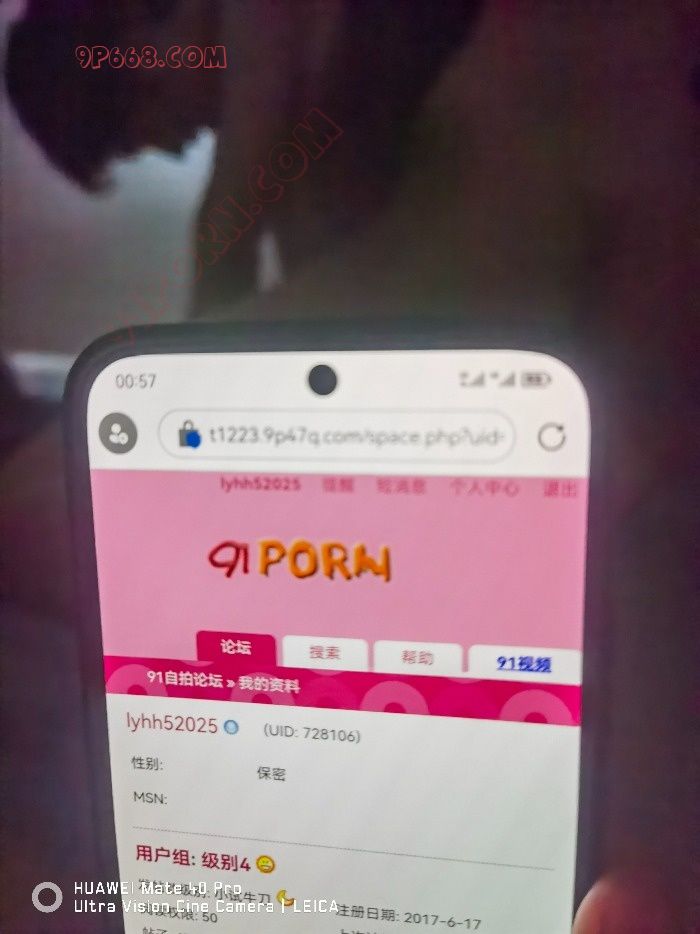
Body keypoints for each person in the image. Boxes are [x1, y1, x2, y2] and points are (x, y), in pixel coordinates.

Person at [2, 2, 696, 930]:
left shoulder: (267, 26)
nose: (173, 142)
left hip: (550, 204)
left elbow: (232, 202)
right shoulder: (339, 125)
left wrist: (194, 372)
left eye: (145, 113)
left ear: (132, 30)